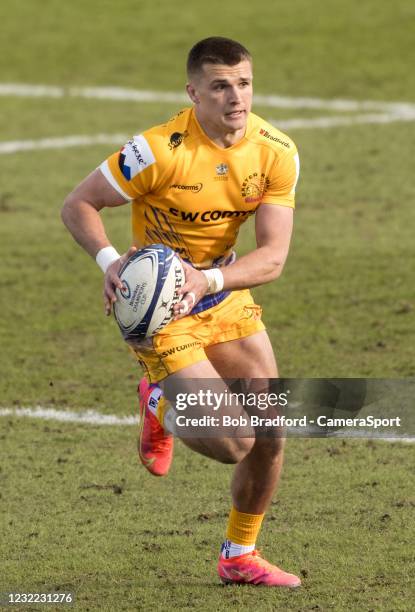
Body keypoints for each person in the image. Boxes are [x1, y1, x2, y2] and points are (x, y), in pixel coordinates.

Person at [62, 36, 301, 587]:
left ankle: (238, 555)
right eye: (220, 86)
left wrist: (209, 279)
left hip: (221, 292)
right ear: (193, 92)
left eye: (243, 83)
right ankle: (160, 399)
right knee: (233, 443)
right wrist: (108, 262)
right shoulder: (158, 150)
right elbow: (77, 203)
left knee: (270, 433)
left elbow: (273, 257)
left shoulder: (275, 151)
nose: (235, 98)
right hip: (159, 308)